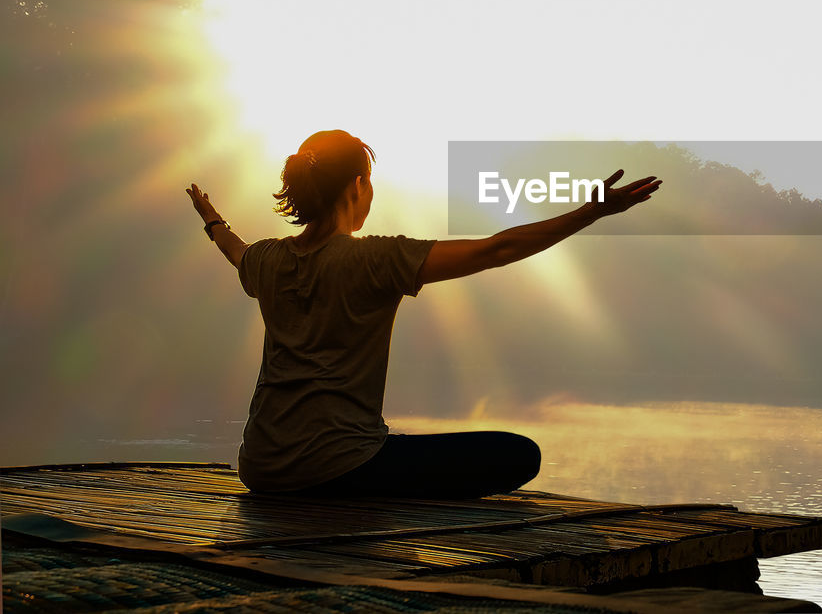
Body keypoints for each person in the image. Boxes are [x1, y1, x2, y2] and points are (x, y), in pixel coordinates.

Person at [185, 129, 660, 498]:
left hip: (261, 466)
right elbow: (497, 248)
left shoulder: (268, 259)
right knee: (519, 455)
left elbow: (234, 249)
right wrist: (589, 213)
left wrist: (211, 217)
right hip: (337, 467)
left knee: (396, 445)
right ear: (359, 185)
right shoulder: (375, 259)